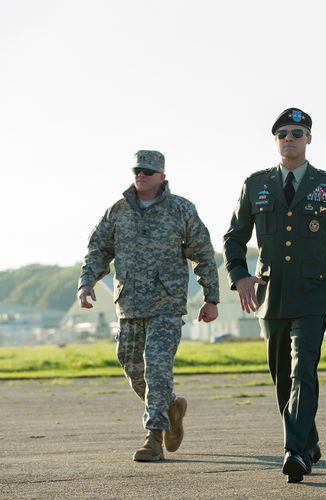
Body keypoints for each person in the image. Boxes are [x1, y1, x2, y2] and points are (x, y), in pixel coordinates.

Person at [223, 108, 326, 483]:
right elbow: (234, 238)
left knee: (304, 368)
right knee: (282, 378)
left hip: (313, 294)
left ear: (309, 139)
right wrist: (239, 276)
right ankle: (310, 441)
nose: (290, 139)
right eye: (283, 133)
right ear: (276, 140)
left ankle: (295, 452)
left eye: (297, 133)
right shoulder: (256, 184)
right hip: (271, 296)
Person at [77, 150, 219, 462]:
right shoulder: (118, 210)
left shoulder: (180, 209)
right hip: (128, 303)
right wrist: (86, 282)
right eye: (138, 170)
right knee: (131, 364)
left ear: (162, 177)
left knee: (157, 368)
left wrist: (211, 297)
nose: (141, 175)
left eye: (149, 171)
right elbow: (98, 249)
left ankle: (154, 437)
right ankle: (170, 407)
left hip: (166, 304)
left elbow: (204, 254)